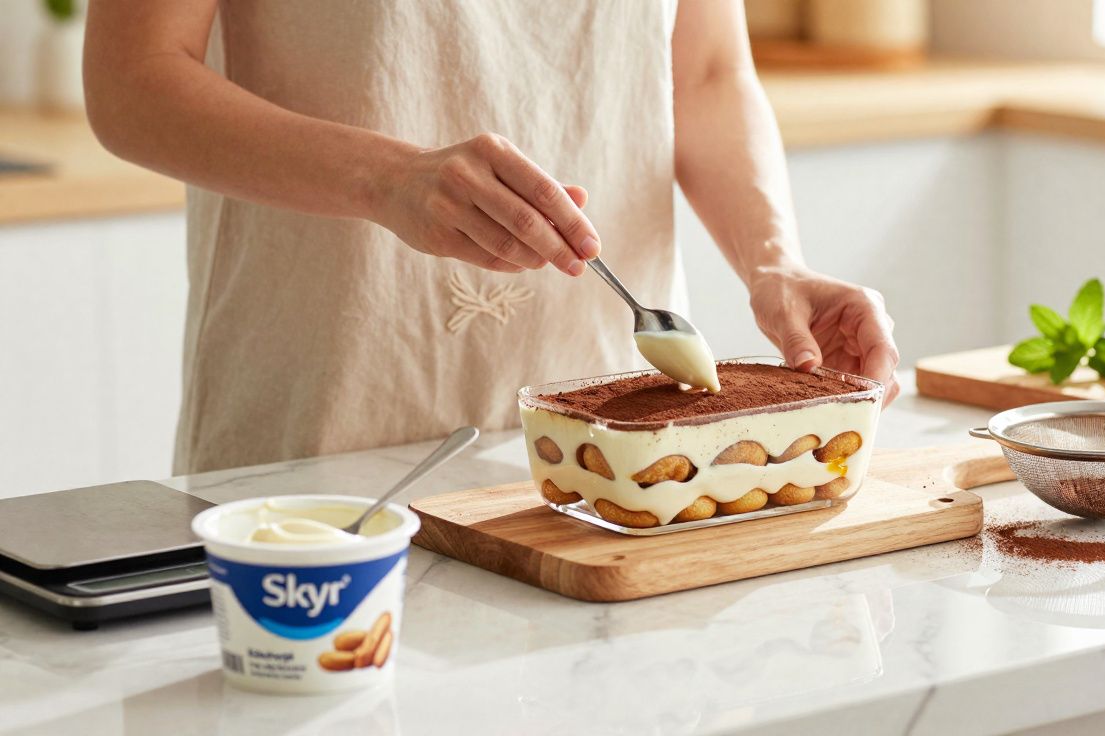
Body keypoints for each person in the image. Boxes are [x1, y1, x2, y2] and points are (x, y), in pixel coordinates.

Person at [84, 0, 899, 474]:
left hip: (623, 461)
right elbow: (131, 81)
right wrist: (386, 178)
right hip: (323, 440)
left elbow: (707, 70)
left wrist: (775, 260)